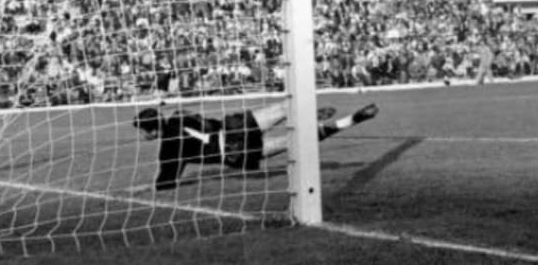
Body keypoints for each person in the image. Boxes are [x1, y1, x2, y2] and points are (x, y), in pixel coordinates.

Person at [134, 102, 379, 190]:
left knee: (295, 141)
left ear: (152, 130)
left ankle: (348, 122)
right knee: (284, 108)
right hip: (234, 127)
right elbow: (204, 125)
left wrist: (149, 186)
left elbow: (166, 182)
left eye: (143, 131)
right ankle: (310, 112)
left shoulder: (167, 148)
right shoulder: (179, 115)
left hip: (232, 153)